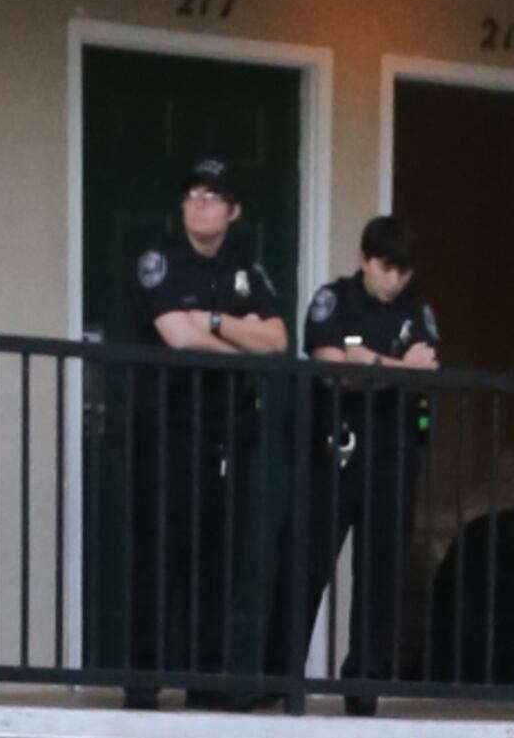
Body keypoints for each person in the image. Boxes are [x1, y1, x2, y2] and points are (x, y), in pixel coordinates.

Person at [115, 155, 291, 690]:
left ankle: (205, 678)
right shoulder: (159, 260)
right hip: (164, 428)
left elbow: (278, 341)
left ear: (233, 211)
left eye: (211, 195)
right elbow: (177, 335)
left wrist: (214, 321)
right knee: (159, 552)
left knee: (215, 555)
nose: (197, 202)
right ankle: (143, 682)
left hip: (222, 432)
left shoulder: (244, 269)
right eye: (192, 193)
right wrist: (241, 340)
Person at [299, 210, 444, 704]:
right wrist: (397, 368)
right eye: (387, 267)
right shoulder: (333, 300)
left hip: (393, 456)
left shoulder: (417, 311)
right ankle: (282, 679)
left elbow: (425, 372)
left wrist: (370, 363)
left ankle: (362, 684)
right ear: (365, 259)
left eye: (404, 270)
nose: (395, 279)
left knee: (380, 575)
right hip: (334, 454)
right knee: (308, 564)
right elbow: (332, 369)